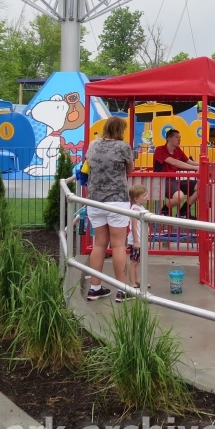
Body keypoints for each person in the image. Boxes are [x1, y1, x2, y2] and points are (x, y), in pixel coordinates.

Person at [84, 116, 135, 302]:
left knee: (99, 244)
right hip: (116, 200)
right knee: (118, 245)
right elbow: (130, 169)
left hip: (95, 200)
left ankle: (95, 287)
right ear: (120, 130)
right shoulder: (123, 147)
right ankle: (122, 290)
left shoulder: (93, 145)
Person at [153, 128, 200, 218]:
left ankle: (183, 212)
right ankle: (164, 210)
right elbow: (174, 162)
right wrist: (195, 168)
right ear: (169, 139)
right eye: (177, 137)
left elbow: (189, 162)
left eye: (180, 138)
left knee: (202, 187)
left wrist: (204, 165)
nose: (179, 140)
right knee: (179, 196)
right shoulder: (159, 150)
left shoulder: (178, 150)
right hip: (162, 181)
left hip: (173, 180)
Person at [123, 184, 149, 298]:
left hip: (141, 239)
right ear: (136, 198)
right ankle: (132, 283)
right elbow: (133, 227)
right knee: (133, 262)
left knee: (137, 261)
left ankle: (138, 280)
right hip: (136, 240)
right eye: (144, 195)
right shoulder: (134, 209)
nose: (146, 197)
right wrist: (136, 242)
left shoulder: (141, 208)